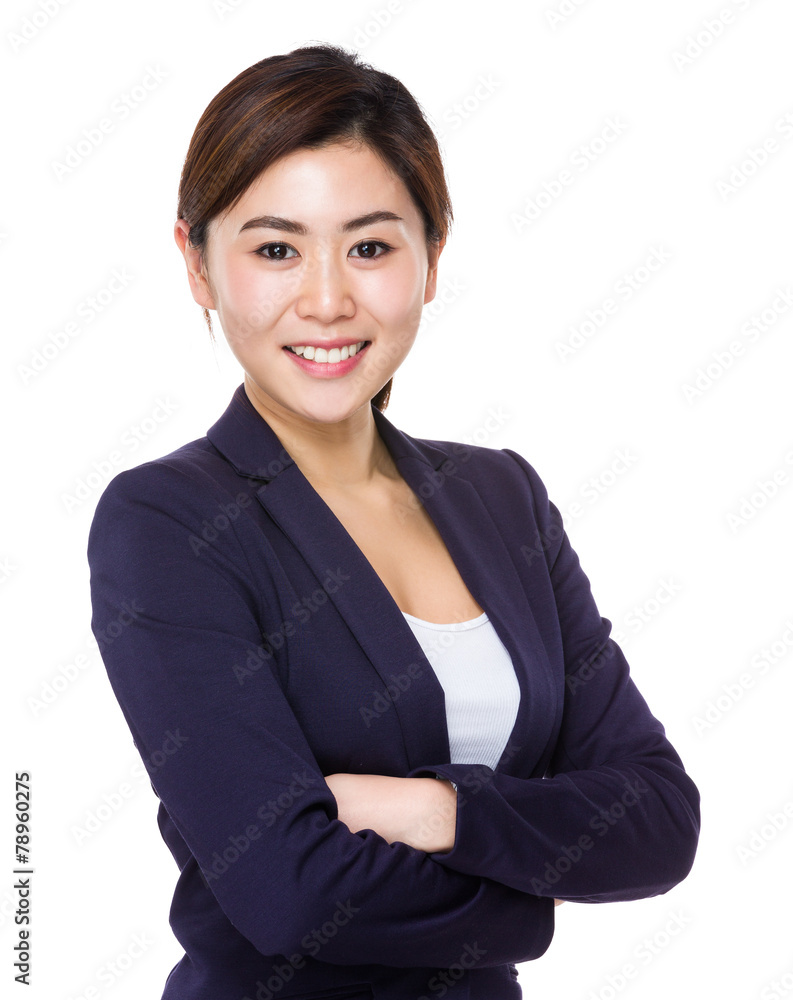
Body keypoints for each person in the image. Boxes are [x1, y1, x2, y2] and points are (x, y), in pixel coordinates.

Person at [87, 42, 700, 1000]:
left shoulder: (502, 498)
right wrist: (533, 899)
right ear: (198, 265)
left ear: (431, 259)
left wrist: (437, 811)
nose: (327, 299)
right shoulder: (169, 522)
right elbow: (287, 892)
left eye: (370, 246)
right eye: (275, 248)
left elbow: (658, 820)